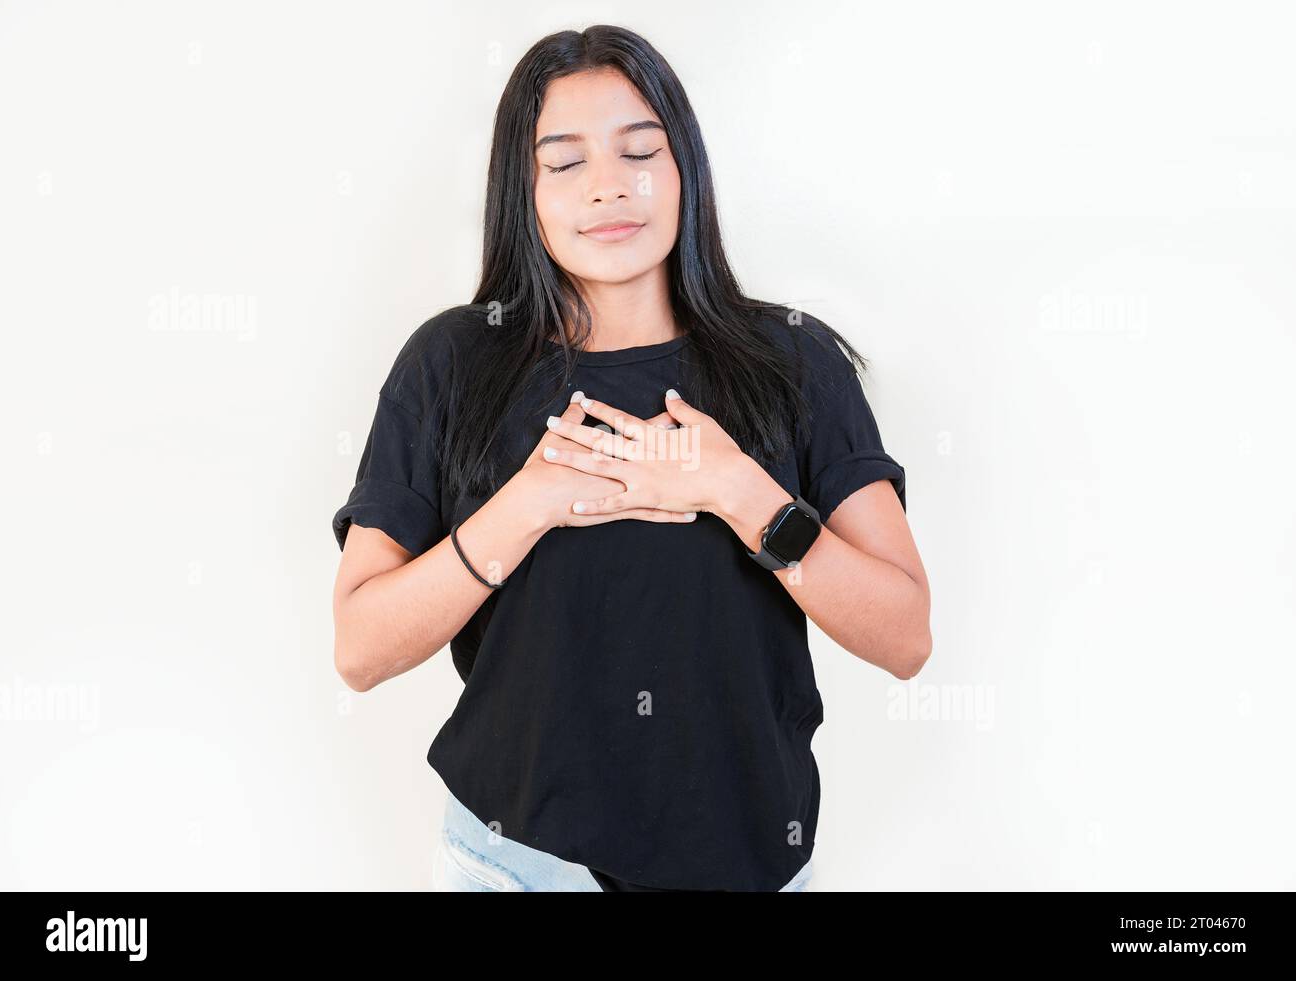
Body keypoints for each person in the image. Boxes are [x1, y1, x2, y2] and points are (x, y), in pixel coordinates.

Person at [331, 24, 932, 892]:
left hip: (752, 863)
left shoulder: (794, 362)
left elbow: (907, 636)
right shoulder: (452, 363)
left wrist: (740, 492)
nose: (609, 188)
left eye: (639, 151)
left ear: (685, 166)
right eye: (566, 163)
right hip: (519, 864)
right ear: (523, 193)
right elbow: (359, 648)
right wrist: (532, 502)